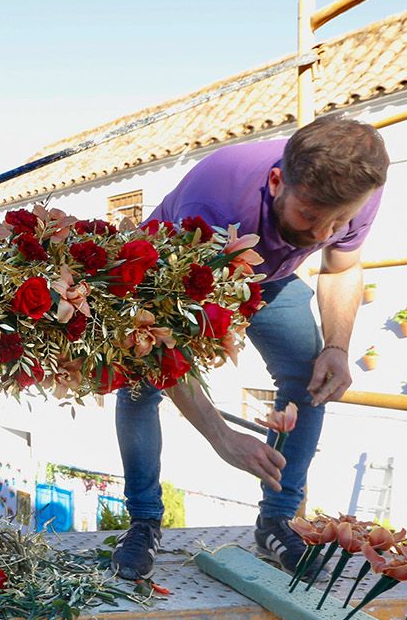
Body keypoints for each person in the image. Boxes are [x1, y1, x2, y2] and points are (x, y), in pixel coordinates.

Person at [110, 116, 390, 581]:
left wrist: (338, 347)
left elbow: (341, 268)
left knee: (310, 375)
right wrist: (222, 438)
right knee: (141, 386)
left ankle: (276, 520)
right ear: (277, 181)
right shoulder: (214, 199)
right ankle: (143, 520)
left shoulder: (361, 190)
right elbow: (164, 350)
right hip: (171, 275)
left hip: (267, 280)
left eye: (338, 221)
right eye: (309, 215)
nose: (323, 234)